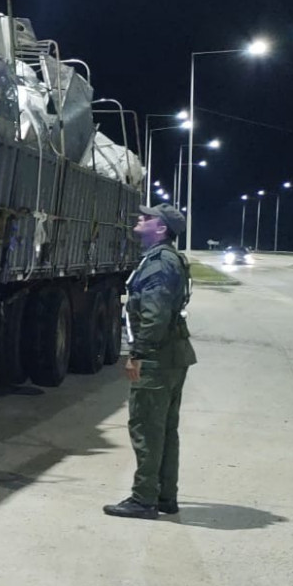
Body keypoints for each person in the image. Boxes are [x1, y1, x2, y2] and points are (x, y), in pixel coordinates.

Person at [104, 202, 197, 520]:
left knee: (146, 429)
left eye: (146, 219)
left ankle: (144, 500)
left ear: (161, 228)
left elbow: (154, 316)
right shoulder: (169, 259)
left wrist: (138, 354)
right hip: (174, 355)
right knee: (166, 430)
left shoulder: (158, 264)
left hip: (158, 359)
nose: (139, 221)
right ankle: (165, 496)